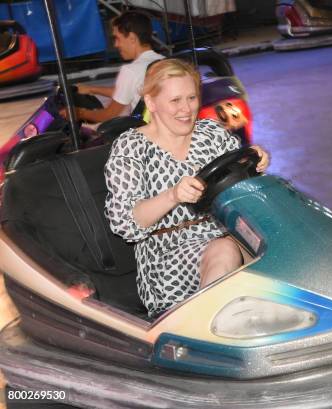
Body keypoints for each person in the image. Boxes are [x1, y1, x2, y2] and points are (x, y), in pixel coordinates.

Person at [104, 58, 269, 317]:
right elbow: (125, 223)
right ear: (151, 103)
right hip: (167, 255)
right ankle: (205, 333)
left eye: (191, 98)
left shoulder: (211, 133)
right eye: (175, 100)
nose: (186, 109)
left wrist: (256, 165)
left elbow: (240, 184)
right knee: (226, 249)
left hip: (223, 232)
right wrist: (172, 196)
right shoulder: (131, 148)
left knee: (274, 250)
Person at [68, 11, 164, 124]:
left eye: (117, 38)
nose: (115, 45)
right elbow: (126, 91)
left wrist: (79, 113)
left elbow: (108, 116)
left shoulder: (130, 71)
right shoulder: (164, 61)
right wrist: (91, 89)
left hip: (146, 132)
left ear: (132, 38)